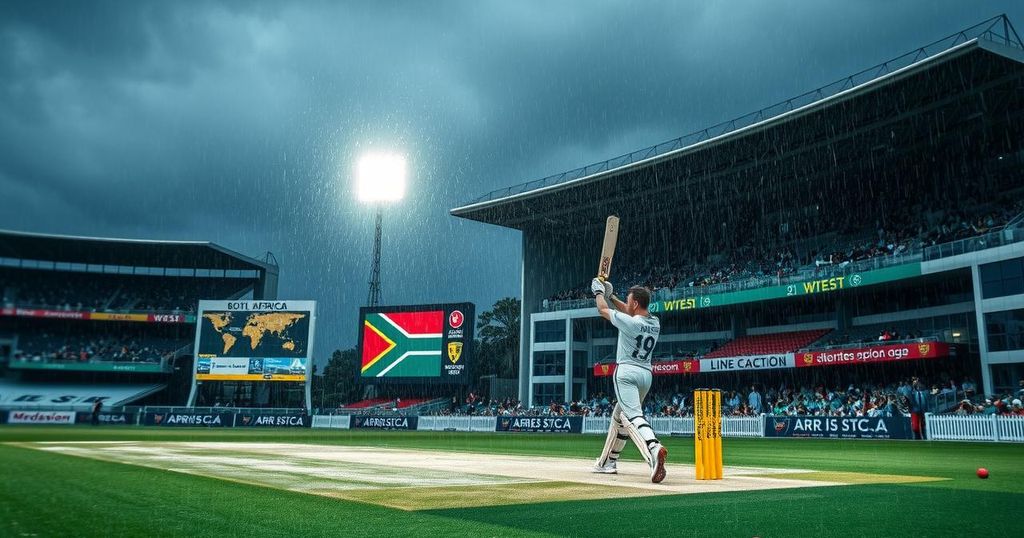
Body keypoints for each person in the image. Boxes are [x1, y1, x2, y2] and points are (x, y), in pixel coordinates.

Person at [589, 278, 668, 484]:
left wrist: (599, 294)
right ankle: (607, 462)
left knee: (632, 417)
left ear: (634, 303)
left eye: (628, 300)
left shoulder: (631, 323)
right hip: (645, 375)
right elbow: (628, 312)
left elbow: (603, 311)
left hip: (626, 372)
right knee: (619, 416)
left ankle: (653, 448)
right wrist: (612, 295)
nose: (627, 303)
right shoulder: (654, 322)